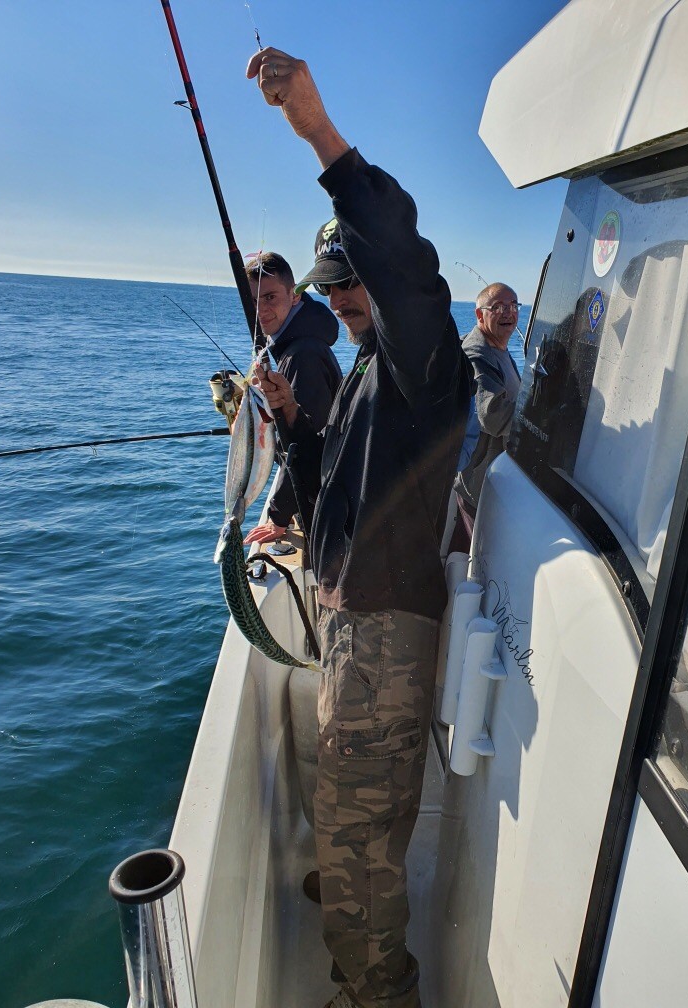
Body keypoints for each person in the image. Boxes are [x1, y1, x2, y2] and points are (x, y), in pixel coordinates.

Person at [244, 46, 471, 1008]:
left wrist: (320, 133)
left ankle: (379, 987)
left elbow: (403, 261)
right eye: (331, 284)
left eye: (347, 281)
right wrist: (293, 423)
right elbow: (332, 492)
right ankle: (347, 888)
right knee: (344, 799)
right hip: (348, 618)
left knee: (357, 816)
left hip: (385, 624)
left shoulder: (428, 363)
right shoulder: (372, 372)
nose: (339, 297)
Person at [244, 252, 342, 542]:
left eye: (270, 297)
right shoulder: (293, 345)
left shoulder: (303, 355)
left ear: (295, 295)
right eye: (253, 301)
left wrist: (278, 516)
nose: (260, 310)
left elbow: (306, 443)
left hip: (322, 500)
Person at [451, 283, 522, 550]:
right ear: (480, 315)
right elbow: (493, 417)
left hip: (493, 477)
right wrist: (540, 414)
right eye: (498, 307)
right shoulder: (476, 353)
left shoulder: (499, 347)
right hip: (478, 483)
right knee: (478, 558)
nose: (508, 312)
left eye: (513, 305)